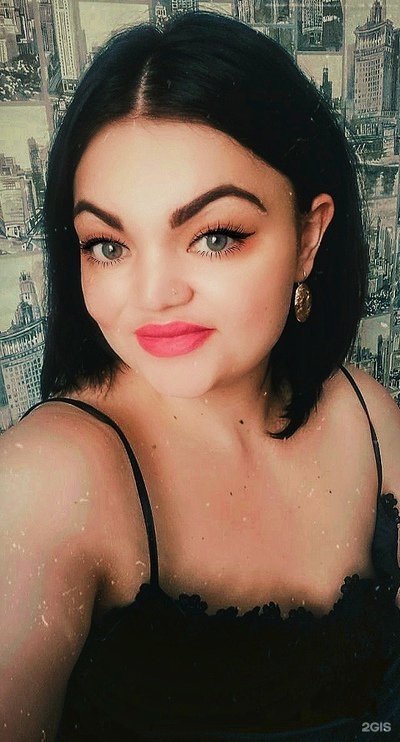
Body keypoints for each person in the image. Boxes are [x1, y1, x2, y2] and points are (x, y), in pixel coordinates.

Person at [1, 10, 400, 741]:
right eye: (107, 245)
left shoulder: (369, 417)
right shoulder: (48, 480)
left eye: (214, 236)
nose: (153, 294)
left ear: (308, 237)